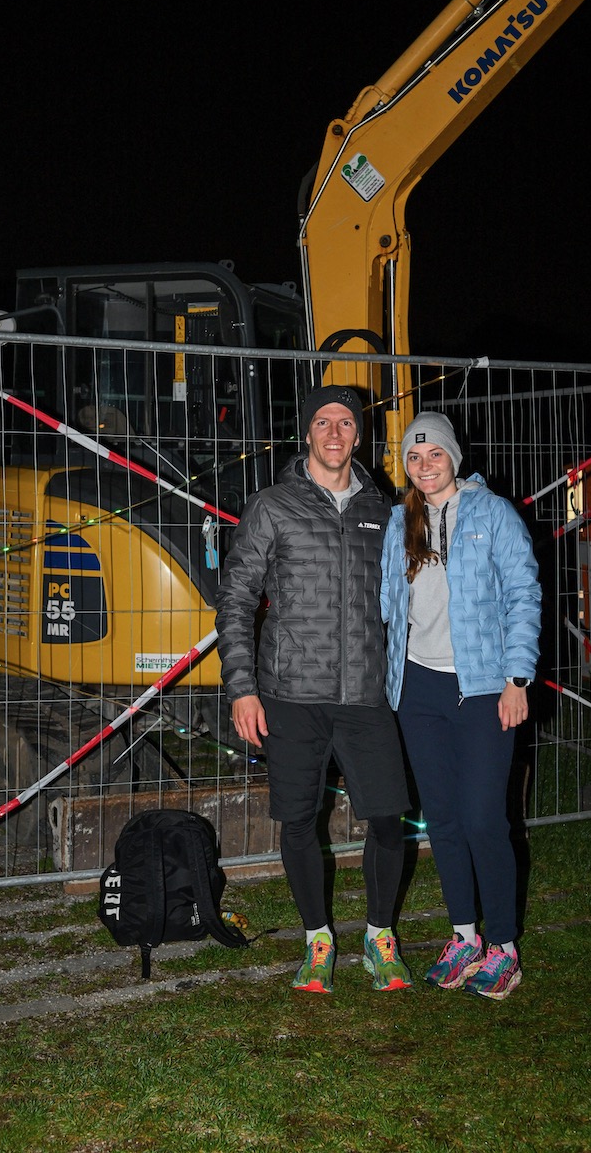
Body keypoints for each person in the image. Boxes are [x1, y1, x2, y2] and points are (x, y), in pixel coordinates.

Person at [216, 385, 412, 994]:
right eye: (323, 422)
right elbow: (237, 597)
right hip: (291, 694)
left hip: (365, 694)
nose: (334, 433)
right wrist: (242, 687)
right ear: (307, 433)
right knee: (299, 820)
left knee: (386, 817)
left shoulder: (385, 509)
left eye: (346, 423)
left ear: (359, 436)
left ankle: (380, 936)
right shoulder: (272, 505)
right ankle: (317, 938)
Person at [380, 411, 541, 1001]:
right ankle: (464, 936)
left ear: (453, 456)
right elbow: (387, 603)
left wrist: (517, 678)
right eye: (414, 459)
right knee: (442, 821)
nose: (425, 468)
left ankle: (503, 946)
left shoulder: (492, 514)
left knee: (482, 820)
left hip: (482, 688)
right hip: (417, 690)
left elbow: (524, 593)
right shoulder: (400, 522)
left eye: (435, 456)